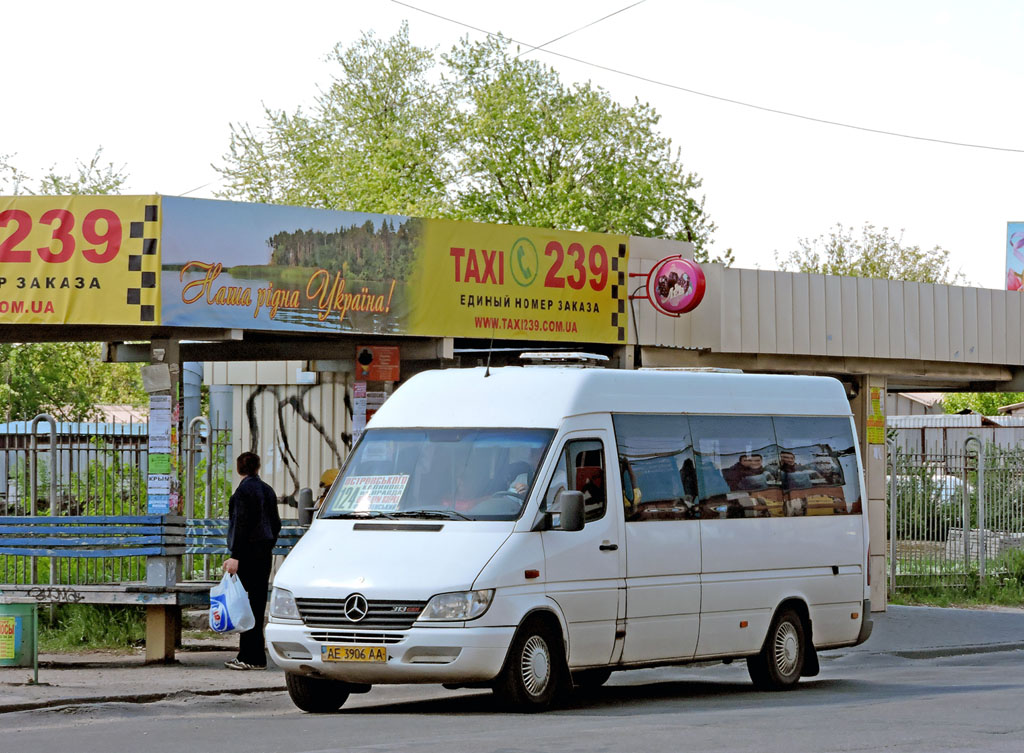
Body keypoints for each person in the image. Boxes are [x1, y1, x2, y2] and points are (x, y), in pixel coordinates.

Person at [223, 452, 281, 670]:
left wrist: (235, 555)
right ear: (258, 468)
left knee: (243, 605)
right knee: (256, 605)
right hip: (263, 553)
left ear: (239, 469)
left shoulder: (242, 492)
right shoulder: (268, 490)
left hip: (246, 554)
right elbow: (276, 524)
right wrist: (268, 544)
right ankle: (257, 656)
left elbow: (241, 525)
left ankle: (248, 656)